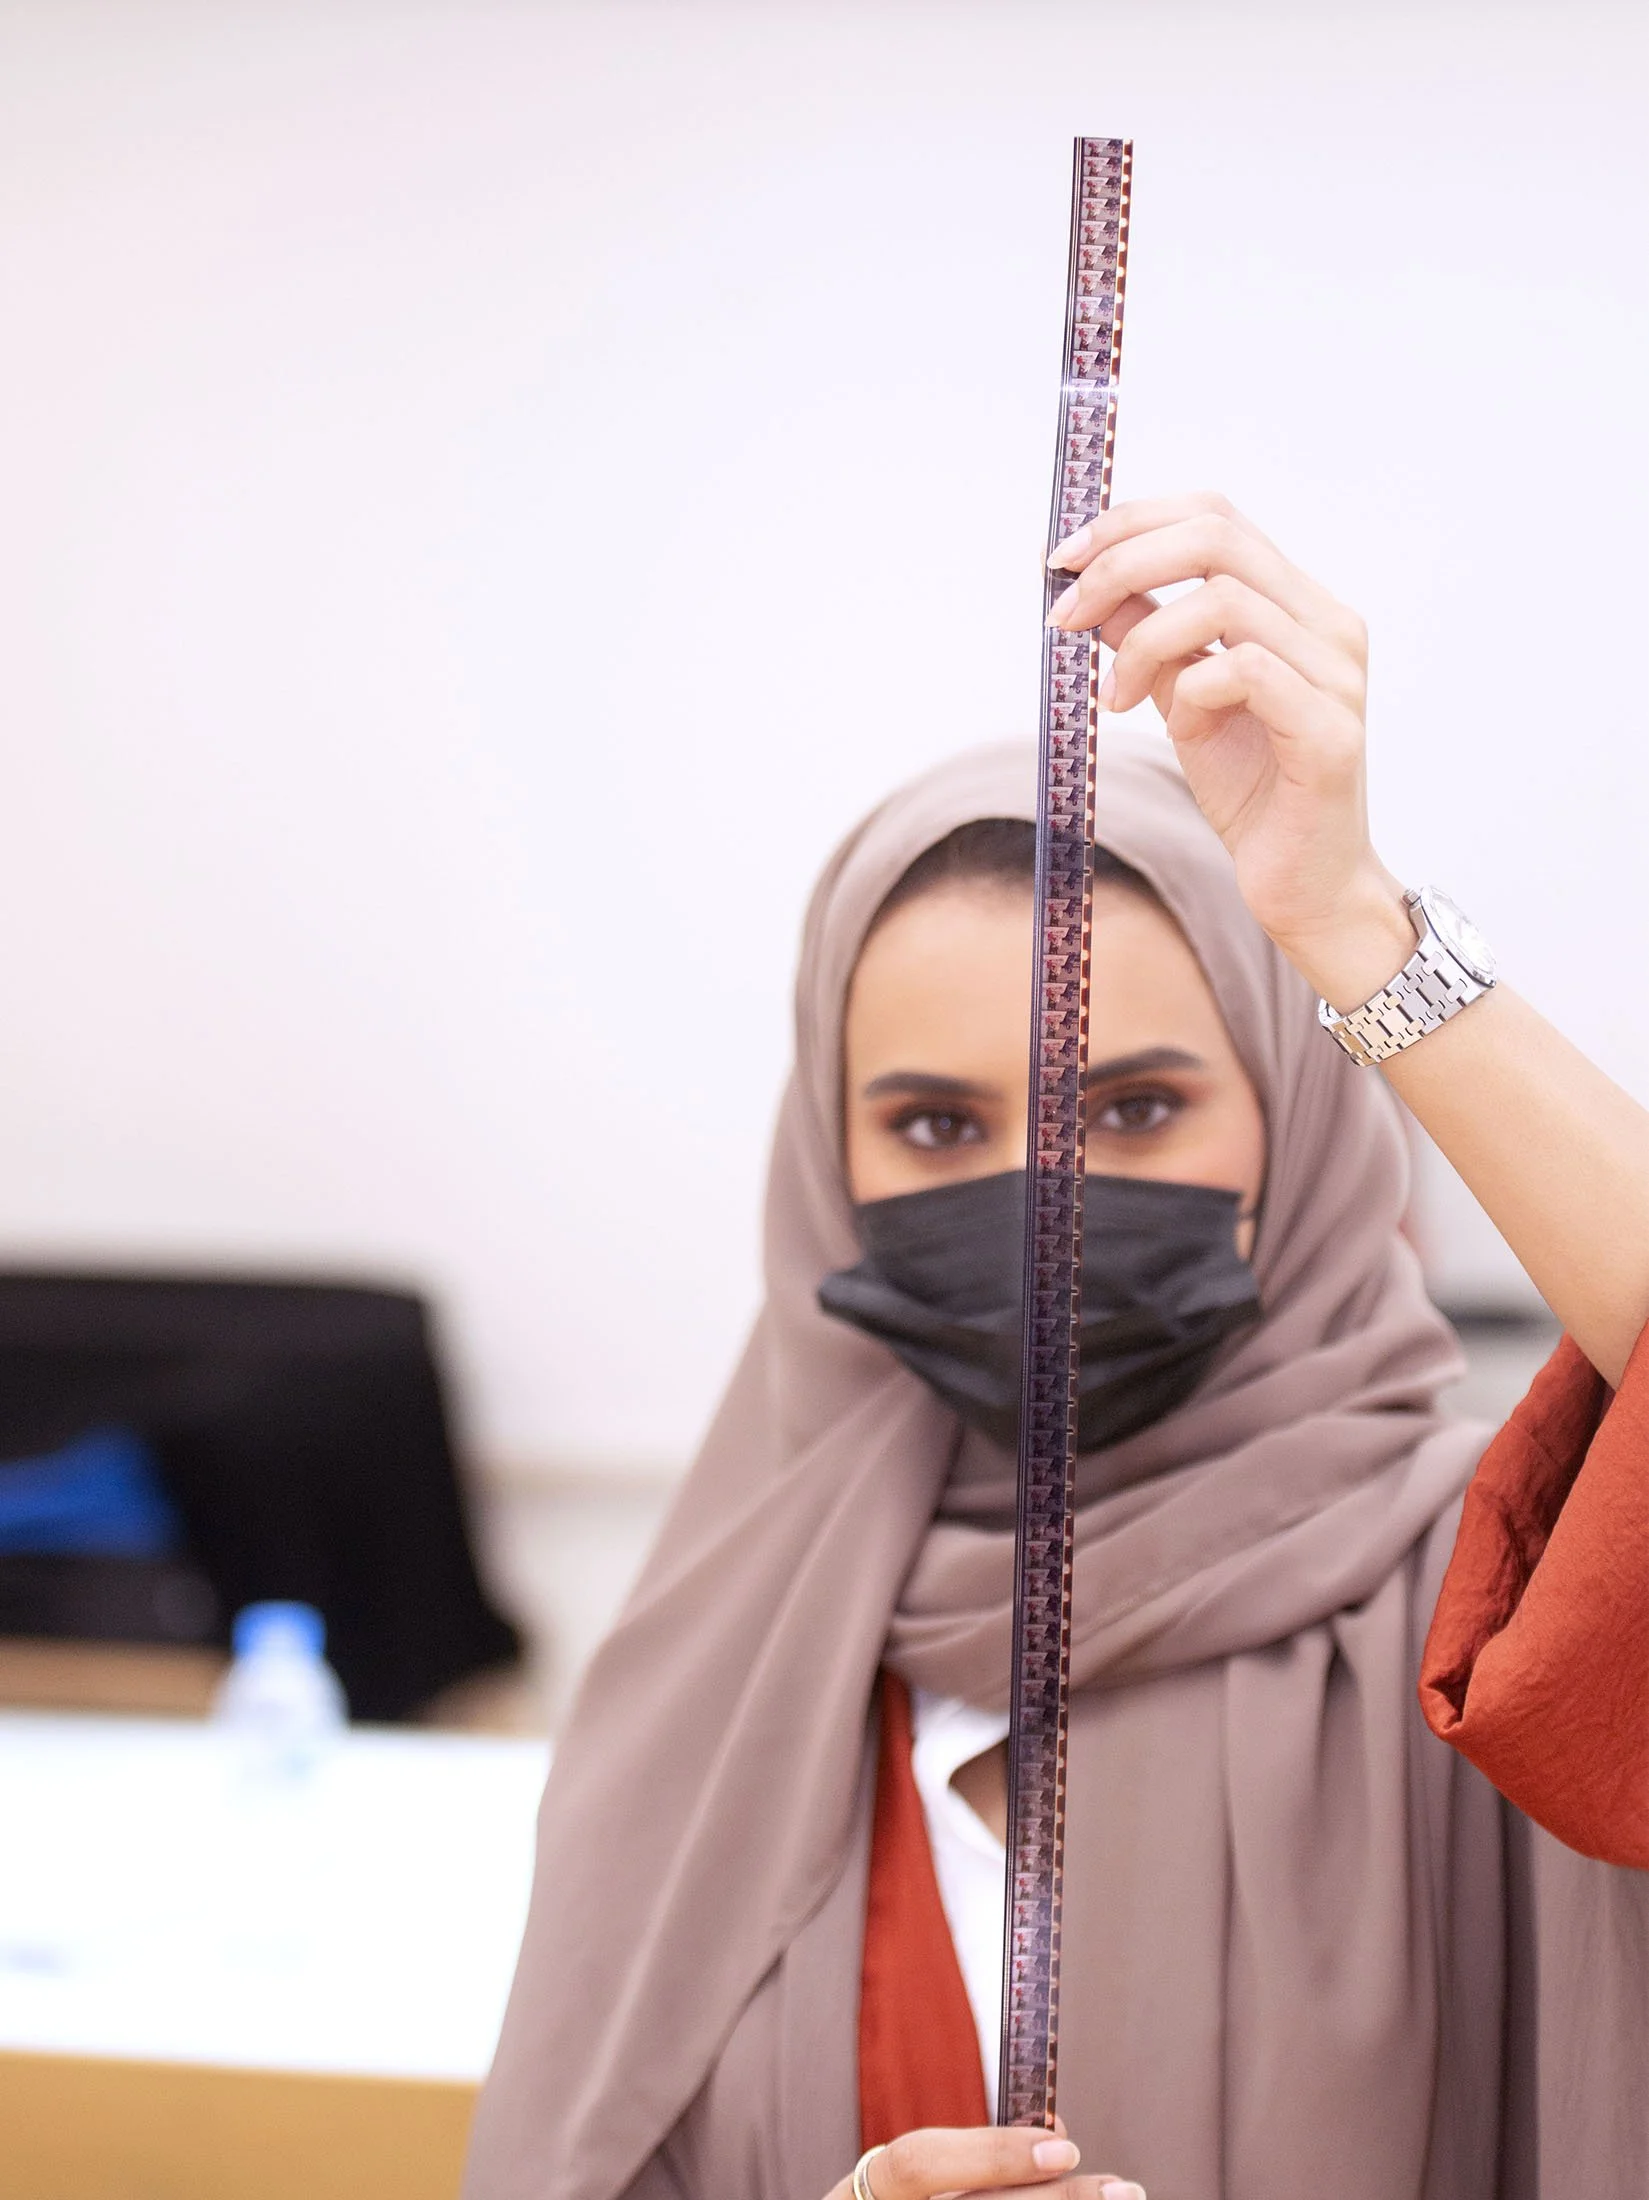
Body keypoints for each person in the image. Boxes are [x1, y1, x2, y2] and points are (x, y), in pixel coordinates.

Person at [464, 495, 1649, 2200]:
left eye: (1136, 1106)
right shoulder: (723, 1659)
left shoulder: (1493, 1595)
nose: (1040, 1196)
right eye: (937, 1128)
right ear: (828, 1167)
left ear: (1299, 1121)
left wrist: (1349, 920)